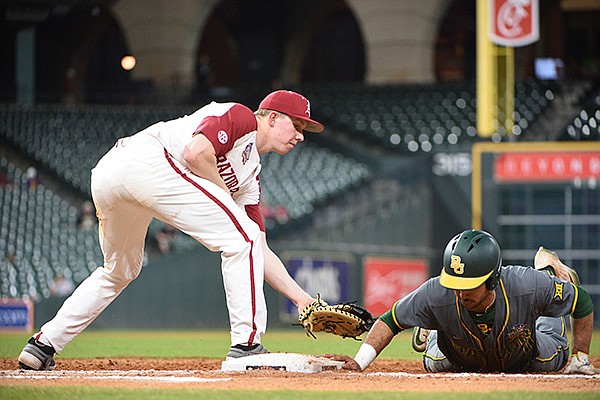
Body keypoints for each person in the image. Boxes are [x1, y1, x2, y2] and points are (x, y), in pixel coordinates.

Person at [18, 90, 324, 371]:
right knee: (240, 236)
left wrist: (301, 299)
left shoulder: (250, 176)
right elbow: (195, 153)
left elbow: (258, 247)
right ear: (272, 117)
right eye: (297, 126)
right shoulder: (242, 117)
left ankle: (42, 345)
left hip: (111, 176)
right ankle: (247, 346)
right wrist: (225, 200)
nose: (300, 136)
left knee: (118, 271)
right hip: (145, 161)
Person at [326, 229, 599, 375]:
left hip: (527, 353)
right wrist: (360, 362)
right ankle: (431, 326)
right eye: (454, 284)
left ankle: (550, 272)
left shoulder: (524, 284)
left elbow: (582, 302)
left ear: (491, 279)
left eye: (467, 286)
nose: (459, 292)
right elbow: (390, 320)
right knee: (433, 362)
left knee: (552, 355)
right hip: (460, 356)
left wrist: (581, 356)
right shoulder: (436, 291)